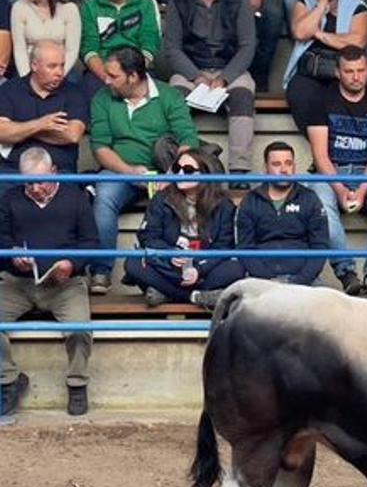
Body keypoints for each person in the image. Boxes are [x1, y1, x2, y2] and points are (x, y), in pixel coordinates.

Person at [88, 46, 199, 294]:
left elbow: (188, 139)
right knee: (103, 197)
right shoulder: (102, 99)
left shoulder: (169, 95)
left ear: (134, 76)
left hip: (165, 172)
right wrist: (129, 170)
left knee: (181, 201)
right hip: (121, 171)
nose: (106, 80)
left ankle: (167, 278)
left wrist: (172, 174)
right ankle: (101, 272)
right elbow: (101, 149)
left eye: (113, 76)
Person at [0, 146, 97, 416]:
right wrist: (12, 255)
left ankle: (77, 384)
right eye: (27, 181)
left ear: (54, 171)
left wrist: (71, 264)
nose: (34, 187)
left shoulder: (76, 198)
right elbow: (2, 239)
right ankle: (7, 381)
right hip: (18, 281)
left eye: (40, 180)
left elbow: (91, 243)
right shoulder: (9, 198)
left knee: (80, 329)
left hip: (65, 284)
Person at [307, 45, 367, 296]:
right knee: (322, 206)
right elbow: (321, 156)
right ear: (338, 72)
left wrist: (361, 190)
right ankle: (346, 272)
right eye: (349, 71)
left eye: (360, 70)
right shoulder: (321, 101)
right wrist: (340, 189)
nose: (356, 76)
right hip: (330, 171)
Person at [162, 0, 256, 177]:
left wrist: (225, 78)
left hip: (229, 68)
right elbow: (171, 47)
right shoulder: (178, 0)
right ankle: (186, 166)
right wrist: (196, 76)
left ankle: (239, 169)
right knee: (174, 98)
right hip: (191, 69)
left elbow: (247, 46)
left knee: (243, 95)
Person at [122, 147, 244, 306]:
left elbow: (224, 246)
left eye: (187, 170)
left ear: (205, 174)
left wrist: (199, 269)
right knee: (133, 263)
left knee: (235, 268)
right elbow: (148, 237)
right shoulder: (162, 199)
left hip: (204, 267)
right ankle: (196, 297)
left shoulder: (223, 205)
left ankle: (166, 293)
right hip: (171, 265)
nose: (179, 174)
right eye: (176, 169)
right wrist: (170, 254)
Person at [283, 0, 367, 130]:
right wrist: (321, 4)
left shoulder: (357, 8)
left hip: (340, 72)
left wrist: (317, 34)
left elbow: (356, 42)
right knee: (299, 95)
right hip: (309, 71)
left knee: (339, 103)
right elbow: (300, 32)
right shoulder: (305, 1)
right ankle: (319, 148)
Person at [233, 140, 329, 286]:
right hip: (261, 280)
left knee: (326, 304)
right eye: (276, 164)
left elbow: (320, 247)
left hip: (305, 281)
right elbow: (245, 249)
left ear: (294, 167)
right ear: (266, 168)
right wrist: (269, 281)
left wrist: (299, 281)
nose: (284, 170)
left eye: (288, 163)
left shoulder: (309, 198)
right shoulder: (250, 200)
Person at [0, 40, 87, 187]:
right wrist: (40, 124)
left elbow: (72, 135)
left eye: (62, 65)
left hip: (59, 172)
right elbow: (2, 132)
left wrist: (21, 130)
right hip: (14, 172)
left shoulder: (74, 93)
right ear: (34, 65)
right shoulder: (10, 90)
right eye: (52, 66)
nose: (59, 72)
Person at [78, 0, 161, 98]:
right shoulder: (89, 5)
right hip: (102, 71)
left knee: (155, 102)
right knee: (90, 95)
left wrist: (132, 75)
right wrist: (109, 77)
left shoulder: (146, 3)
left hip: (137, 70)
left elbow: (150, 44)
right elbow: (89, 49)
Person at [10, 0, 81, 78]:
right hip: (30, 71)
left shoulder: (69, 9)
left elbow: (72, 51)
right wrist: (29, 81)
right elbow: (20, 51)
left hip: (61, 71)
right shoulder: (19, 8)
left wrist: (58, 76)